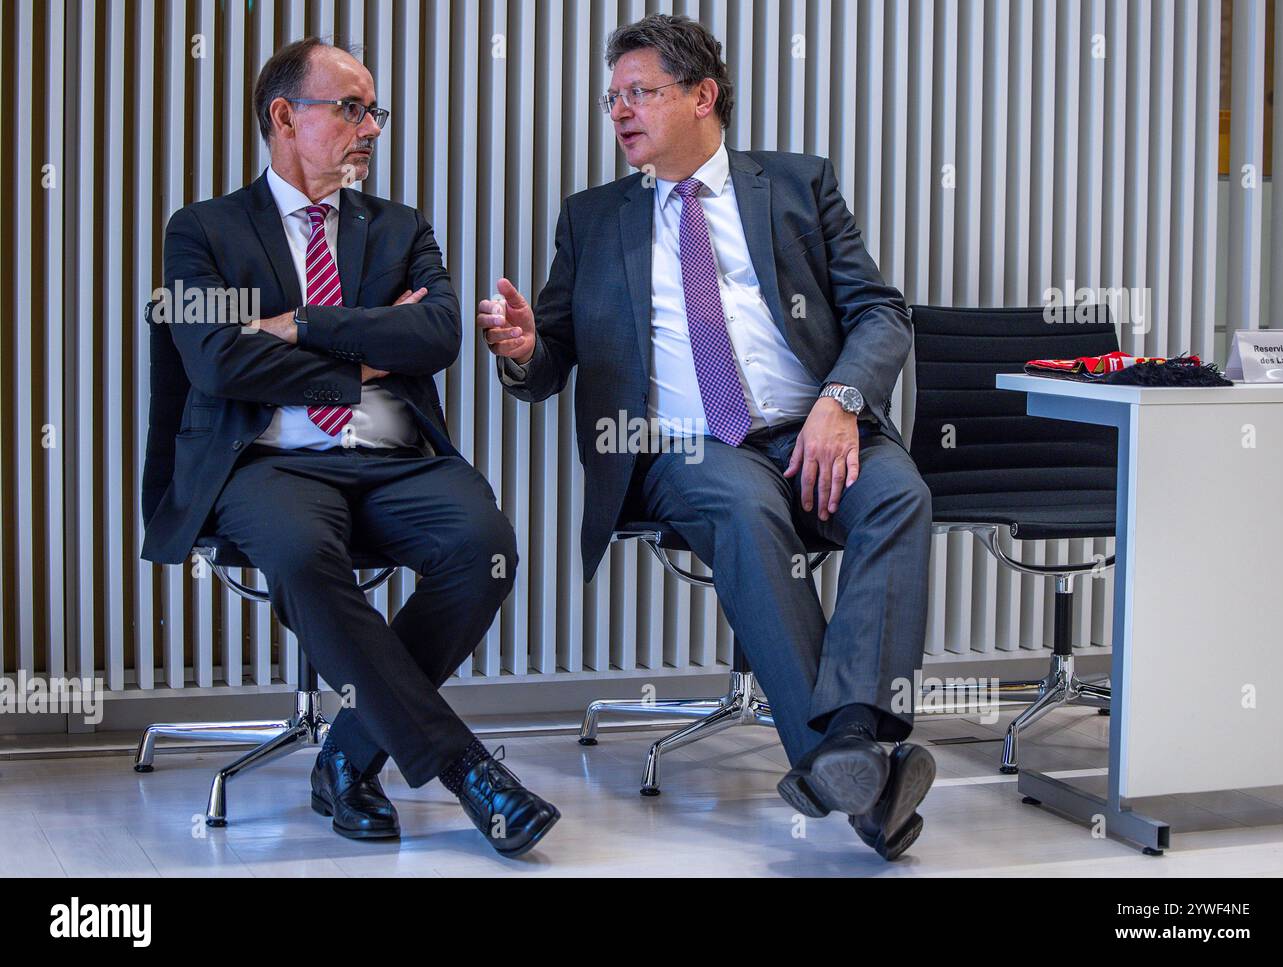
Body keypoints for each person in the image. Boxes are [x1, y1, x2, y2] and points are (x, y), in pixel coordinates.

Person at [479, 15, 934, 860]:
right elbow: (550, 362)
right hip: (688, 448)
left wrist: (840, 399)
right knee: (739, 500)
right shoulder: (594, 220)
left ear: (702, 96)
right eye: (612, 97)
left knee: (900, 492)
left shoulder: (798, 187)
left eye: (639, 92)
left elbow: (880, 309)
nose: (619, 110)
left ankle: (849, 748)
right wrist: (521, 347)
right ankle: (850, 762)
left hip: (816, 424)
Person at [142, 38, 558, 857]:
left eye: (376, 111)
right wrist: (366, 354)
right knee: (299, 549)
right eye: (352, 108)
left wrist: (298, 325)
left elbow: (435, 332)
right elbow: (213, 358)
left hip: (397, 457)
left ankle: (345, 756)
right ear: (285, 117)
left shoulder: (399, 227)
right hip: (266, 461)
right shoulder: (205, 229)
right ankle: (468, 770)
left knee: (486, 547)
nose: (371, 127)